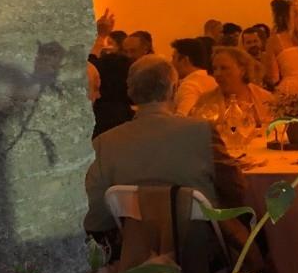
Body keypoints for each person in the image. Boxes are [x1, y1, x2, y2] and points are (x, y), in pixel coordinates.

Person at [83, 56, 247, 233]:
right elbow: (236, 189)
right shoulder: (202, 132)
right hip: (202, 242)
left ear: (130, 92)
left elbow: (94, 216)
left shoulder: (103, 144)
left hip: (135, 245)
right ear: (173, 89)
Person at [191, 46, 275, 128]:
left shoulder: (265, 98)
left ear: (242, 70)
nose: (217, 73)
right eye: (215, 69)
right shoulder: (205, 102)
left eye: (224, 68)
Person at [171, 37, 217, 117]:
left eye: (174, 58)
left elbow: (182, 119)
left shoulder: (189, 86)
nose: (171, 63)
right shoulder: (212, 80)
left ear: (185, 60)